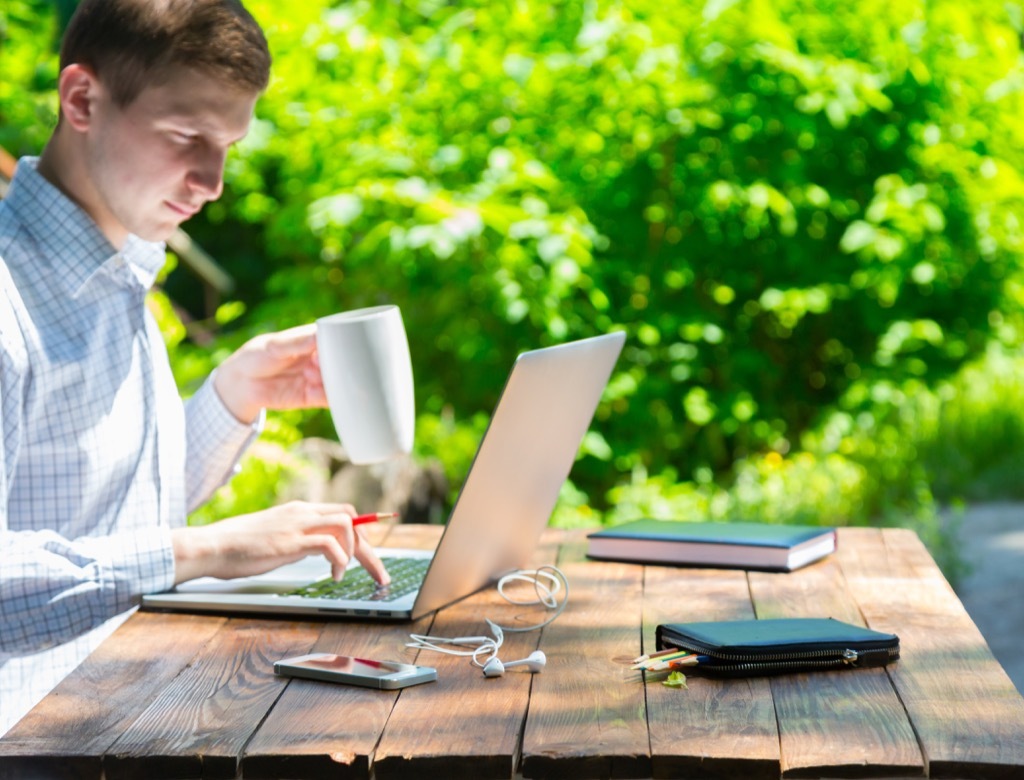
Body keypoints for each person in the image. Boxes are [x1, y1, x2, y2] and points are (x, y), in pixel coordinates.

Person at [0, 0, 389, 734]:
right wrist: (206, 550)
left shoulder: (120, 279)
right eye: (187, 136)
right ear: (82, 99)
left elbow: (111, 524)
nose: (212, 180)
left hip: (120, 711)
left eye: (229, 145)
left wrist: (231, 400)